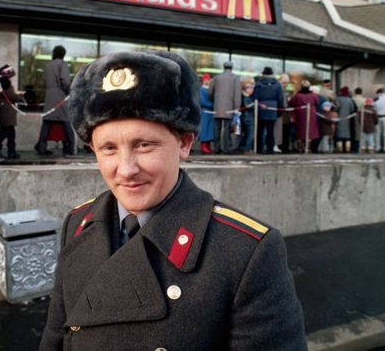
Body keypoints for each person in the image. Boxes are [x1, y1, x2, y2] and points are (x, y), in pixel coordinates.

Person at [40, 51, 306, 350]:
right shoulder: (77, 223)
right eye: (109, 148)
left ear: (184, 143)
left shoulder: (247, 252)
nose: (126, 169)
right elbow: (56, 337)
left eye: (144, 145)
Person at [35, 45, 75, 156]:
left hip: (49, 97)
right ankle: (71, 148)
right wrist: (70, 92)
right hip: (60, 96)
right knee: (66, 122)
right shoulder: (62, 64)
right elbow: (65, 81)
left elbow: (43, 82)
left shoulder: (47, 65)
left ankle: (41, 148)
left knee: (47, 123)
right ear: (63, 54)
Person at [208, 61, 241, 154]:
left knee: (216, 129)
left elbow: (210, 92)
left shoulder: (216, 77)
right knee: (227, 129)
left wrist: (214, 101)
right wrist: (237, 107)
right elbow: (237, 95)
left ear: (224, 67)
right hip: (230, 108)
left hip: (217, 107)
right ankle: (227, 148)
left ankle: (216, 148)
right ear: (231, 67)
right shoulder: (235, 78)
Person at [0, 65, 24, 159]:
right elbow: (12, 96)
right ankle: (0, 150)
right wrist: (20, 97)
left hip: (4, 107)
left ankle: (10, 151)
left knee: (9, 131)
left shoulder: (1, 82)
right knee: (6, 131)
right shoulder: (6, 83)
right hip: (7, 108)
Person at [252, 67, 284, 154]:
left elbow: (255, 97)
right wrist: (280, 110)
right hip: (273, 109)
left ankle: (259, 149)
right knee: (270, 131)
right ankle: (270, 149)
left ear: (263, 74)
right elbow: (280, 99)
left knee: (260, 130)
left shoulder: (258, 84)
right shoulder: (277, 85)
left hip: (261, 108)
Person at [289, 80, 320, 153]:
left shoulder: (297, 95)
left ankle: (300, 148)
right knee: (310, 132)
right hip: (311, 115)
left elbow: (291, 103)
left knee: (300, 132)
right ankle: (308, 147)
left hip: (300, 115)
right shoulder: (313, 95)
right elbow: (317, 102)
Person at [335, 86, 355, 153]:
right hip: (348, 119)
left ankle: (339, 149)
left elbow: (336, 108)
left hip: (339, 118)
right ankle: (347, 148)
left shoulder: (338, 99)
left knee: (339, 134)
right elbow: (352, 109)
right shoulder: (350, 100)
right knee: (347, 135)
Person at [198, 73, 214, 154]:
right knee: (205, 129)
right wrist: (213, 105)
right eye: (205, 80)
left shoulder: (210, 89)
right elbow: (202, 102)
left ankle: (207, 146)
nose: (207, 81)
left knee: (210, 130)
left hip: (211, 113)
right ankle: (203, 146)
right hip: (205, 112)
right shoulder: (201, 90)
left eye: (208, 80)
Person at [238, 81, 255, 154]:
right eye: (249, 88)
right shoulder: (246, 98)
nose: (251, 89)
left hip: (244, 117)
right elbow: (248, 107)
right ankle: (247, 149)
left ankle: (241, 147)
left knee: (246, 134)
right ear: (245, 89)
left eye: (252, 87)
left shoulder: (244, 97)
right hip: (248, 118)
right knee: (250, 134)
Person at [352, 87, 366, 153]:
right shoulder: (364, 100)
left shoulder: (352, 99)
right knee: (360, 132)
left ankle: (354, 147)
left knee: (354, 131)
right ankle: (360, 146)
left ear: (355, 92)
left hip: (352, 116)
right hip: (362, 116)